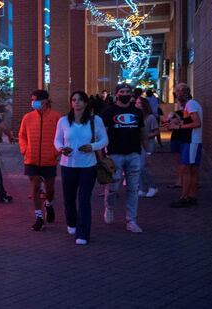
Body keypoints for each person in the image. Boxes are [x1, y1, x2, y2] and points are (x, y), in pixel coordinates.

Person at [54, 91, 108, 245]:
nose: (76, 103)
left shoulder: (95, 120)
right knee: (69, 198)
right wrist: (62, 148)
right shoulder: (64, 121)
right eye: (73, 100)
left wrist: (92, 146)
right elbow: (57, 140)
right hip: (68, 165)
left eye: (80, 100)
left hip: (87, 166)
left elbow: (104, 139)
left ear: (85, 103)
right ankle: (71, 222)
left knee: (84, 199)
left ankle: (82, 233)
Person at [101, 84, 146, 233]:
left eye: (128, 92)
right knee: (113, 187)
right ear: (117, 94)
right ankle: (109, 207)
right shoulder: (109, 112)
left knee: (133, 189)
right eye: (122, 92)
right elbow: (103, 134)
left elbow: (141, 131)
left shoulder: (137, 112)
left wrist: (145, 148)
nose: (125, 94)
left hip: (134, 154)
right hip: (115, 154)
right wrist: (103, 153)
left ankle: (131, 220)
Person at [18, 89, 61, 231]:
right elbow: (22, 135)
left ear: (45, 101)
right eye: (32, 100)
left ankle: (49, 204)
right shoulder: (28, 117)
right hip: (31, 158)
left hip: (49, 159)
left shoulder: (56, 117)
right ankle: (39, 217)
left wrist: (56, 152)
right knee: (35, 187)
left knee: (50, 188)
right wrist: (24, 149)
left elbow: (61, 137)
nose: (33, 103)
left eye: (35, 100)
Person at [169, 83, 203, 208]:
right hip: (191, 140)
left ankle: (185, 198)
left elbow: (197, 123)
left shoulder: (191, 104)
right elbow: (191, 121)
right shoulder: (190, 104)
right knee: (192, 170)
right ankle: (192, 196)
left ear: (183, 92)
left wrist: (178, 126)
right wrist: (178, 121)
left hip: (191, 141)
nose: (176, 94)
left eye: (177, 92)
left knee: (186, 169)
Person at [136, 96, 159, 198]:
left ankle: (152, 186)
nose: (137, 105)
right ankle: (140, 188)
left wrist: (145, 136)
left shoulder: (150, 117)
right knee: (137, 167)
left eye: (139, 103)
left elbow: (156, 131)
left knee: (142, 166)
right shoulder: (135, 116)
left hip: (147, 144)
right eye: (136, 103)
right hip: (137, 144)